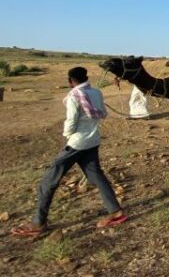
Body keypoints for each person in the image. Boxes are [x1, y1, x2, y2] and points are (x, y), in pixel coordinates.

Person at [11, 67, 127, 238]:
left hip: (77, 143)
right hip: (93, 141)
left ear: (70, 81)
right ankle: (116, 211)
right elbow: (102, 113)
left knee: (48, 181)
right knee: (96, 176)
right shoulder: (96, 92)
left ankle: (38, 223)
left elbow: (71, 121)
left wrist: (67, 135)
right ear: (86, 77)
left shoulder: (74, 96)